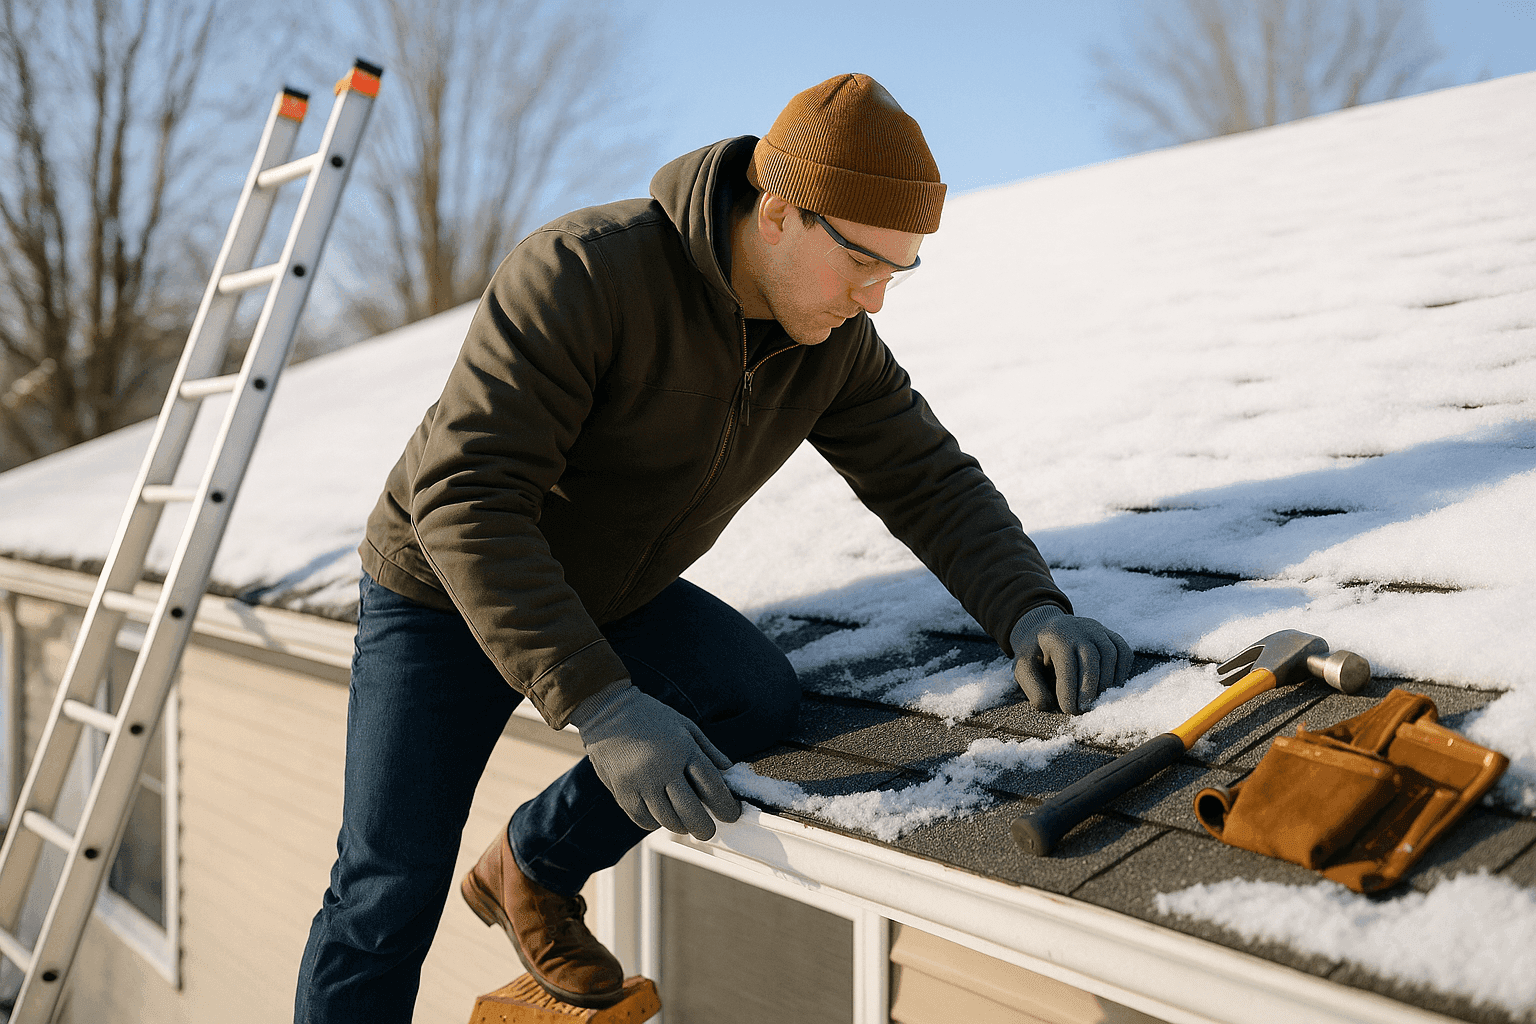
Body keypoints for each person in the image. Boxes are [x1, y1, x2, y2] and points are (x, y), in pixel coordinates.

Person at [293, 73, 1131, 1021]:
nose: (877, 298)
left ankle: (533, 866)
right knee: (384, 890)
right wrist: (605, 705)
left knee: (752, 694)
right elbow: (464, 500)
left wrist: (1029, 606)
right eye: (863, 262)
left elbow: (925, 476)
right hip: (442, 591)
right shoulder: (581, 274)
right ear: (777, 212)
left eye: (899, 271)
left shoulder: (833, 340)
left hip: (613, 586)